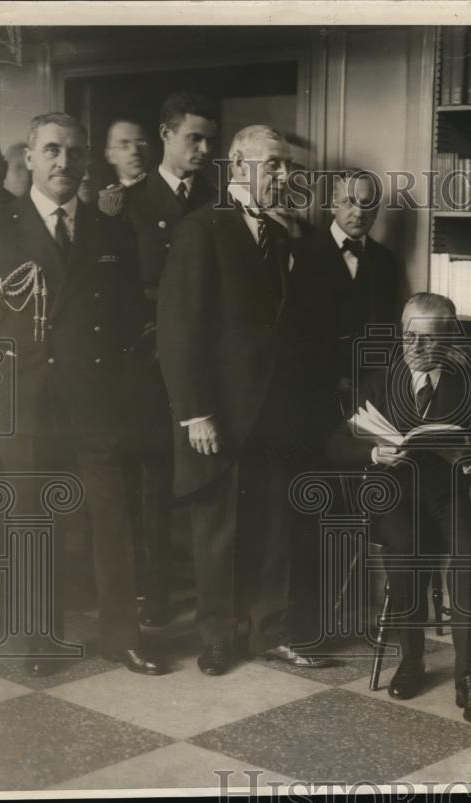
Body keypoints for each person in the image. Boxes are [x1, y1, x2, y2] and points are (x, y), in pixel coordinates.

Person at [0, 112, 166, 678]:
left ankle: (122, 637)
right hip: (26, 400)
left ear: (87, 162)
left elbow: (129, 319)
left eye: (75, 153)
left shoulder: (110, 230)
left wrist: (118, 389)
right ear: (28, 158)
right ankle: (37, 639)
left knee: (111, 517)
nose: (64, 163)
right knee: (31, 519)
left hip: (93, 397)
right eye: (51, 150)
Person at [157, 124, 331, 676]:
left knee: (274, 527)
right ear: (238, 167)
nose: (285, 176)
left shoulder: (283, 237)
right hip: (221, 414)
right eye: (274, 165)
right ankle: (217, 637)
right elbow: (178, 329)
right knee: (218, 530)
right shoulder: (200, 229)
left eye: (288, 167)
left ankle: (270, 632)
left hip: (275, 414)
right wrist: (195, 412)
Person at [328, 293, 471, 727]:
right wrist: (375, 454)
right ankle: (411, 661)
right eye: (409, 336)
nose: (415, 347)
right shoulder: (377, 380)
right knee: (406, 551)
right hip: (398, 494)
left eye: (428, 339)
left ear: (449, 339)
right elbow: (336, 443)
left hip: (454, 494)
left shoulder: (469, 383)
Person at [98, 95, 218, 628]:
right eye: (194, 137)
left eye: (209, 139)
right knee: (152, 477)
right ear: (166, 134)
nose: (204, 149)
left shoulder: (219, 201)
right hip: (147, 360)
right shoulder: (128, 203)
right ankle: (156, 592)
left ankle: (211, 593)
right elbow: (114, 288)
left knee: (205, 474)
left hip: (208, 360)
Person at [291, 168, 401, 395]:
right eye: (349, 202)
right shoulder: (301, 253)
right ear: (333, 205)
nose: (359, 212)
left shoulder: (386, 261)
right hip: (312, 388)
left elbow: (386, 330)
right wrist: (329, 377)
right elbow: (294, 331)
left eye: (366, 203)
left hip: (369, 390)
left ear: (377, 210)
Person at [104, 119, 151, 187]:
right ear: (110, 155)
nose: (135, 151)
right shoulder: (105, 196)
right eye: (124, 145)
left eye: (141, 143)